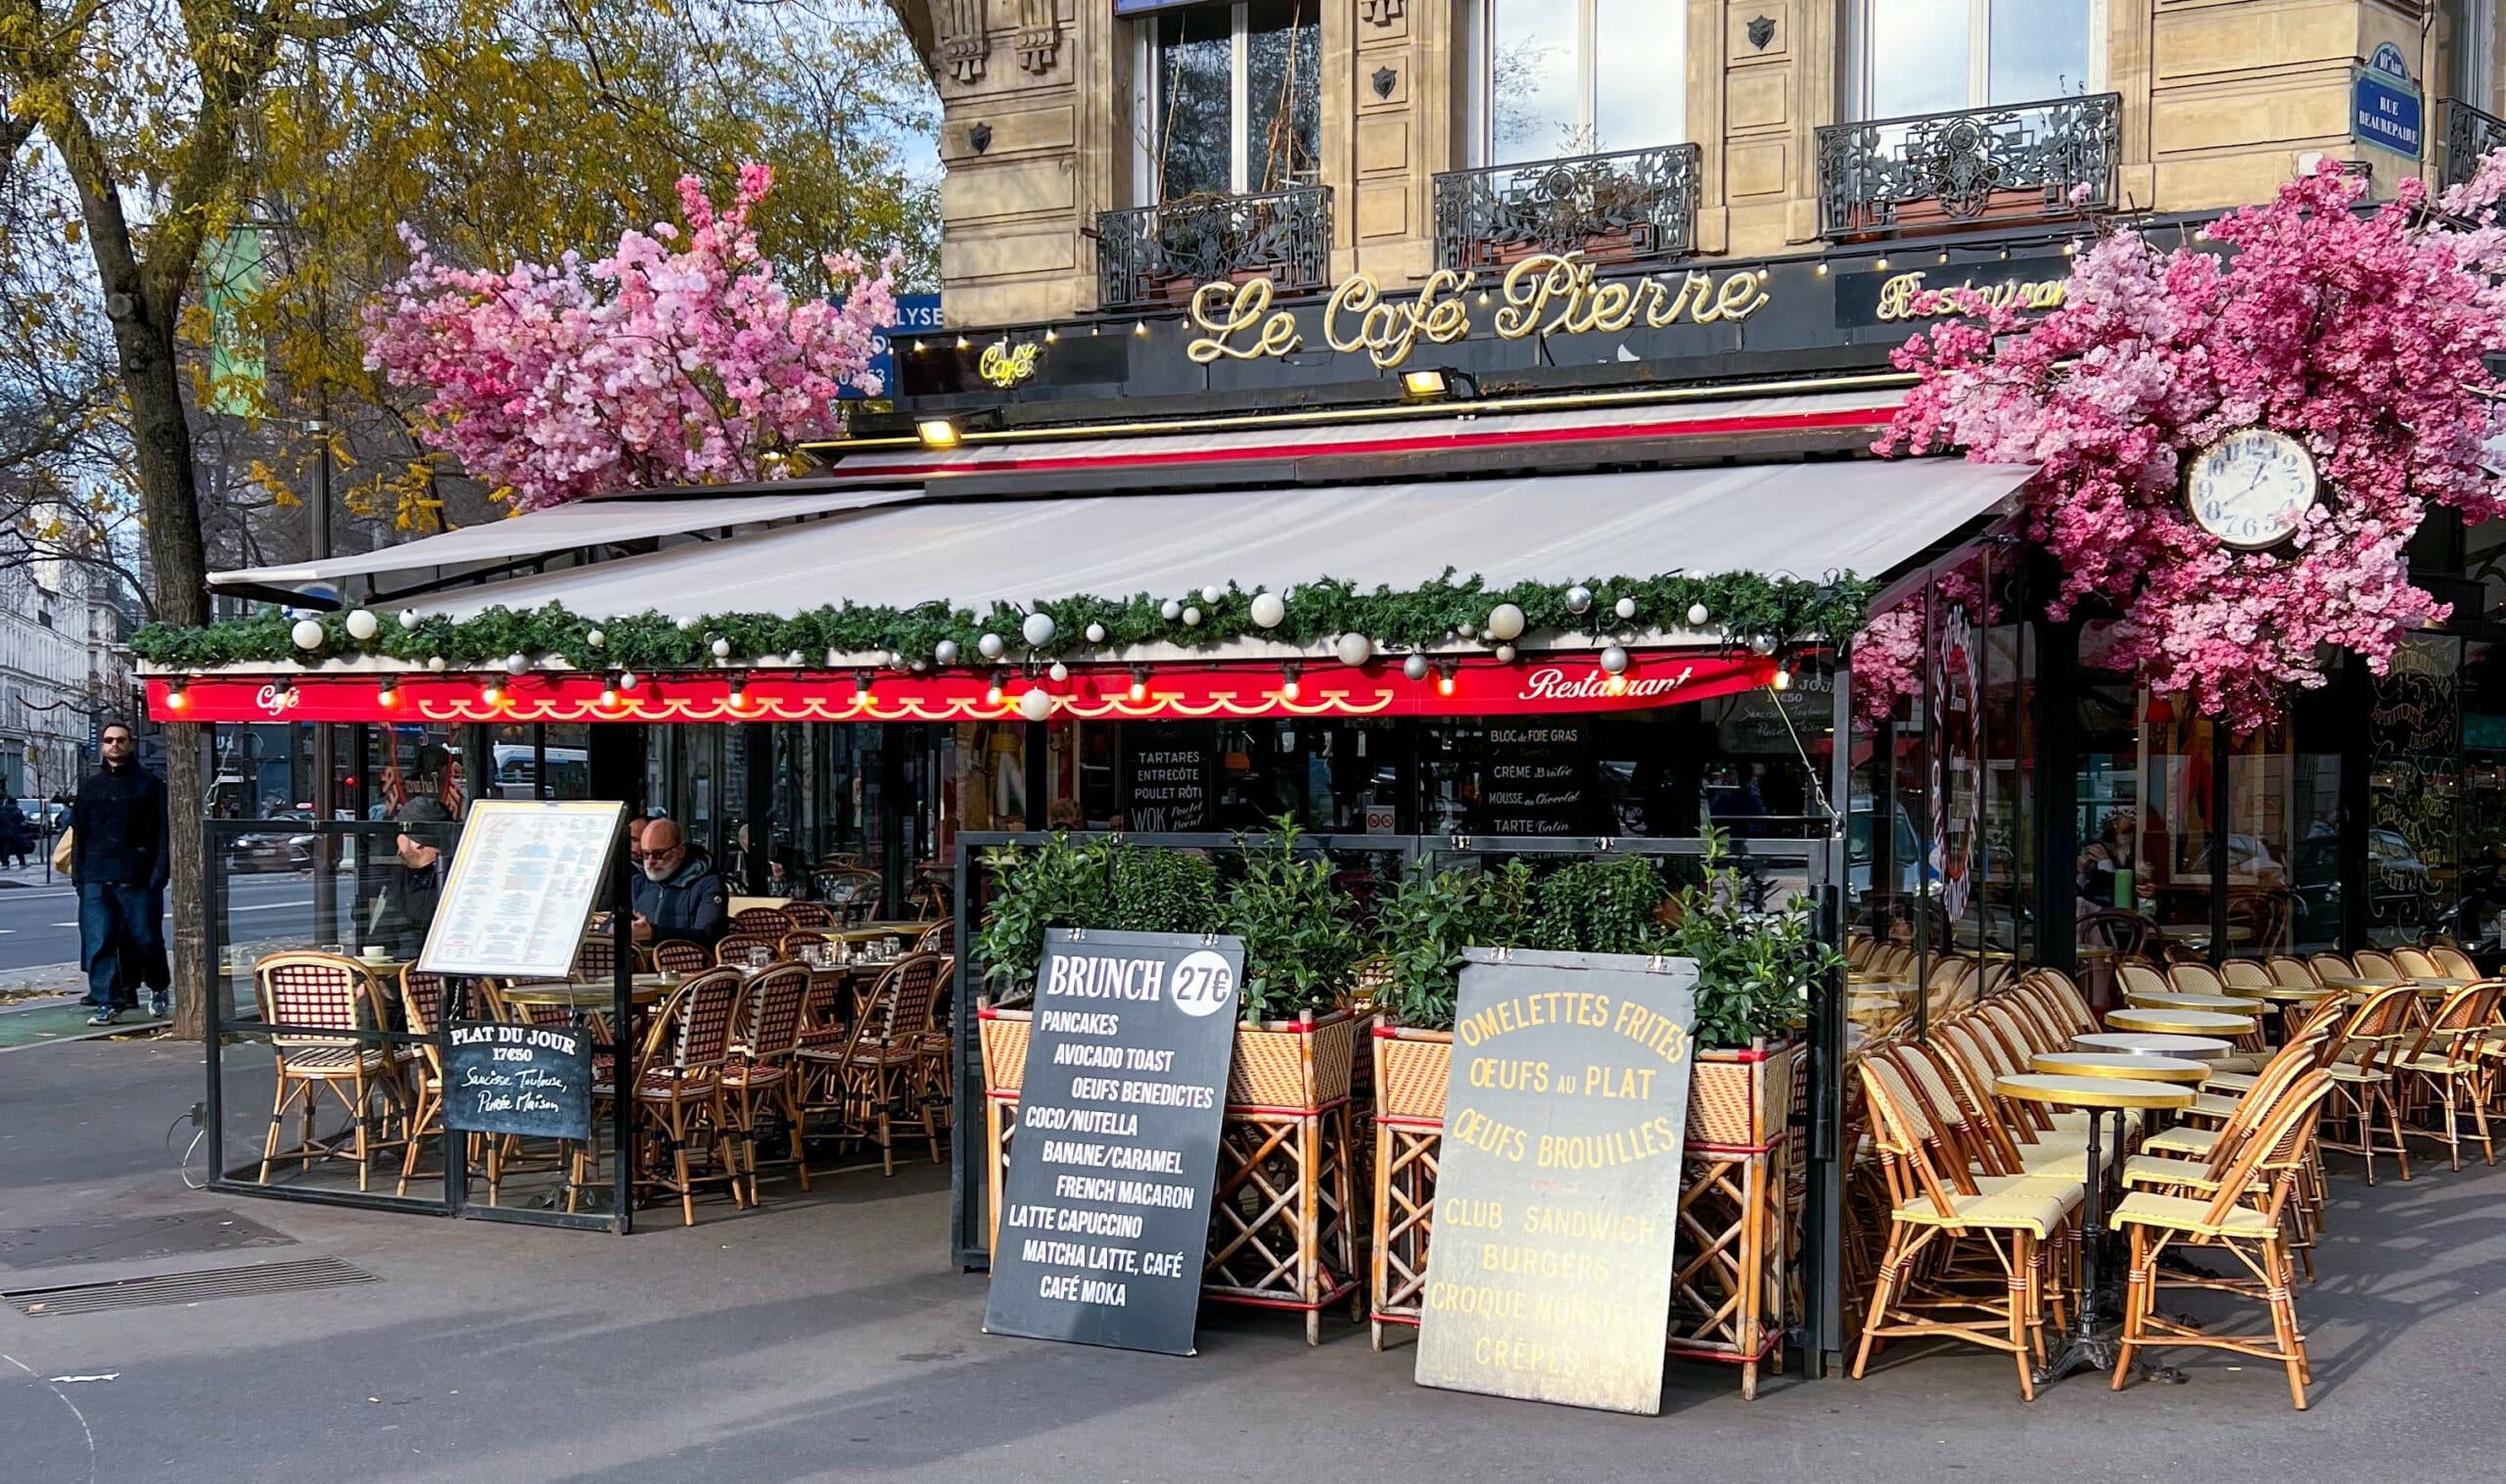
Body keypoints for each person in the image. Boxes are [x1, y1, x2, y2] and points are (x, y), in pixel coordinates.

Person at [72, 721, 169, 1025]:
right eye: (109, 740)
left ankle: (158, 985)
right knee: (99, 941)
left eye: (120, 740)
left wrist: (159, 874)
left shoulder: (150, 786)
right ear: (102, 745)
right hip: (96, 876)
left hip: (137, 876)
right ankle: (108, 1002)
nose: (114, 745)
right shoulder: (90, 787)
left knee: (146, 938)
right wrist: (80, 876)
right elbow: (80, 834)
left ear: (131, 744)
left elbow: (163, 833)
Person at [630, 818, 727, 950]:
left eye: (658, 854)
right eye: (645, 854)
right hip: (640, 963)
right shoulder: (637, 883)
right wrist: (618, 928)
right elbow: (607, 926)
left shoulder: (708, 885)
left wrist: (653, 933)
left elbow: (709, 936)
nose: (650, 861)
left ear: (680, 851)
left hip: (690, 965)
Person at [0, 797, 30, 868]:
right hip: (15, 832)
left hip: (3, 832)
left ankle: (5, 863)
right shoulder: (18, 811)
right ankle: (22, 863)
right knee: (18, 848)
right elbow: (22, 821)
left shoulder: (2, 811)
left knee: (4, 848)